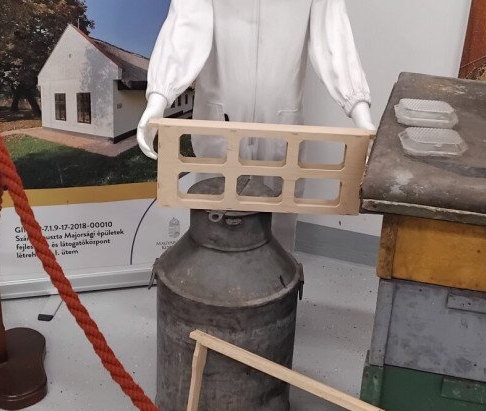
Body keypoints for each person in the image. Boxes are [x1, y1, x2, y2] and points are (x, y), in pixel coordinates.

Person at [137, 0, 374, 251]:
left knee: (279, 218)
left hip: (282, 124)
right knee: (214, 213)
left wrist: (359, 111)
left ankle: (281, 274)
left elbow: (333, 35)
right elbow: (185, 26)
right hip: (220, 119)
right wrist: (159, 96)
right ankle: (213, 272)